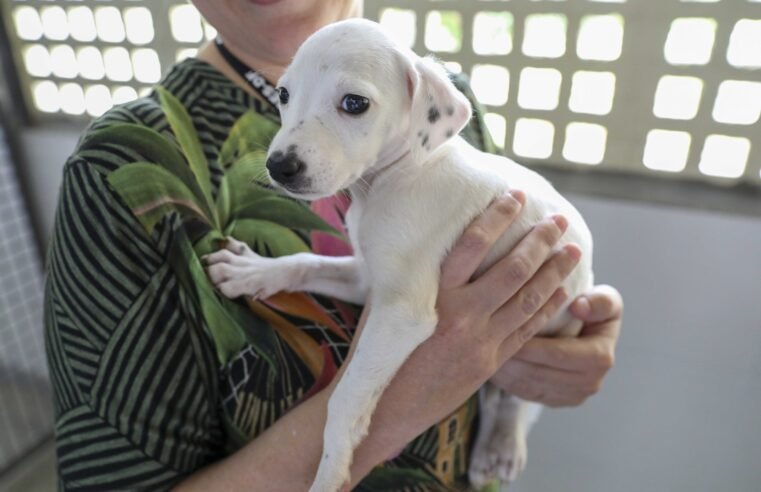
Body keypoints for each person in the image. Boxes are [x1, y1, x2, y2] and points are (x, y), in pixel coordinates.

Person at [43, 0, 623, 490]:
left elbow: (500, 291)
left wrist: (557, 357)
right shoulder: (119, 173)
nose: (287, 142)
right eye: (285, 98)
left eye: (352, 104)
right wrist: (391, 405)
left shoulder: (439, 99)